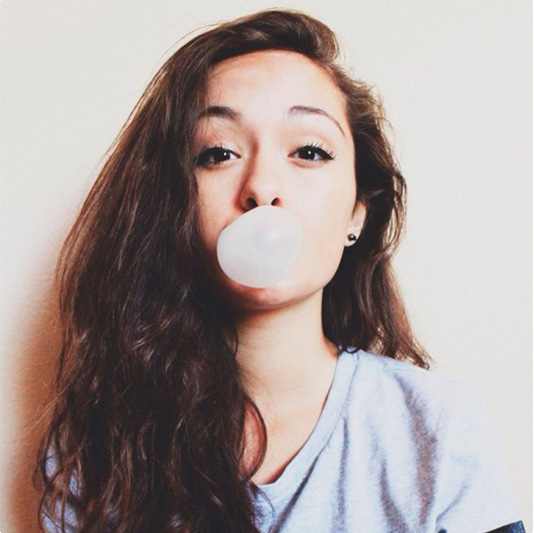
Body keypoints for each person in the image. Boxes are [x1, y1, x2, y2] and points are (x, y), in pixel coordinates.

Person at [34, 8, 525, 533]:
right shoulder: (101, 446)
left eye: (309, 151)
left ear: (357, 212)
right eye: (218, 152)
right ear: (173, 207)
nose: (262, 186)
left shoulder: (438, 429)